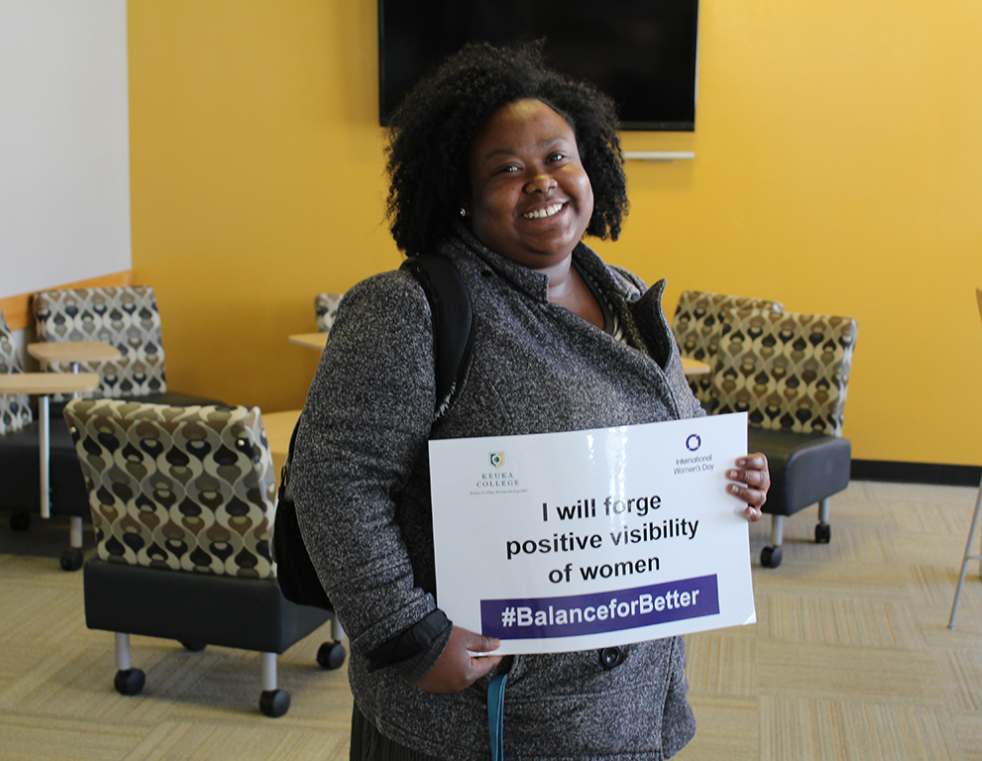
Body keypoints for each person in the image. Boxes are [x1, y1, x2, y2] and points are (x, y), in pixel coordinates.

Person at [291, 41, 769, 761]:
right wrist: (409, 635)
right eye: (506, 168)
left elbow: (678, 435)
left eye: (556, 157)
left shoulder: (628, 294)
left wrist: (730, 479)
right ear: (462, 190)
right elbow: (333, 480)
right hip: (472, 719)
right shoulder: (409, 309)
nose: (540, 181)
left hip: (624, 701)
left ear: (591, 167)